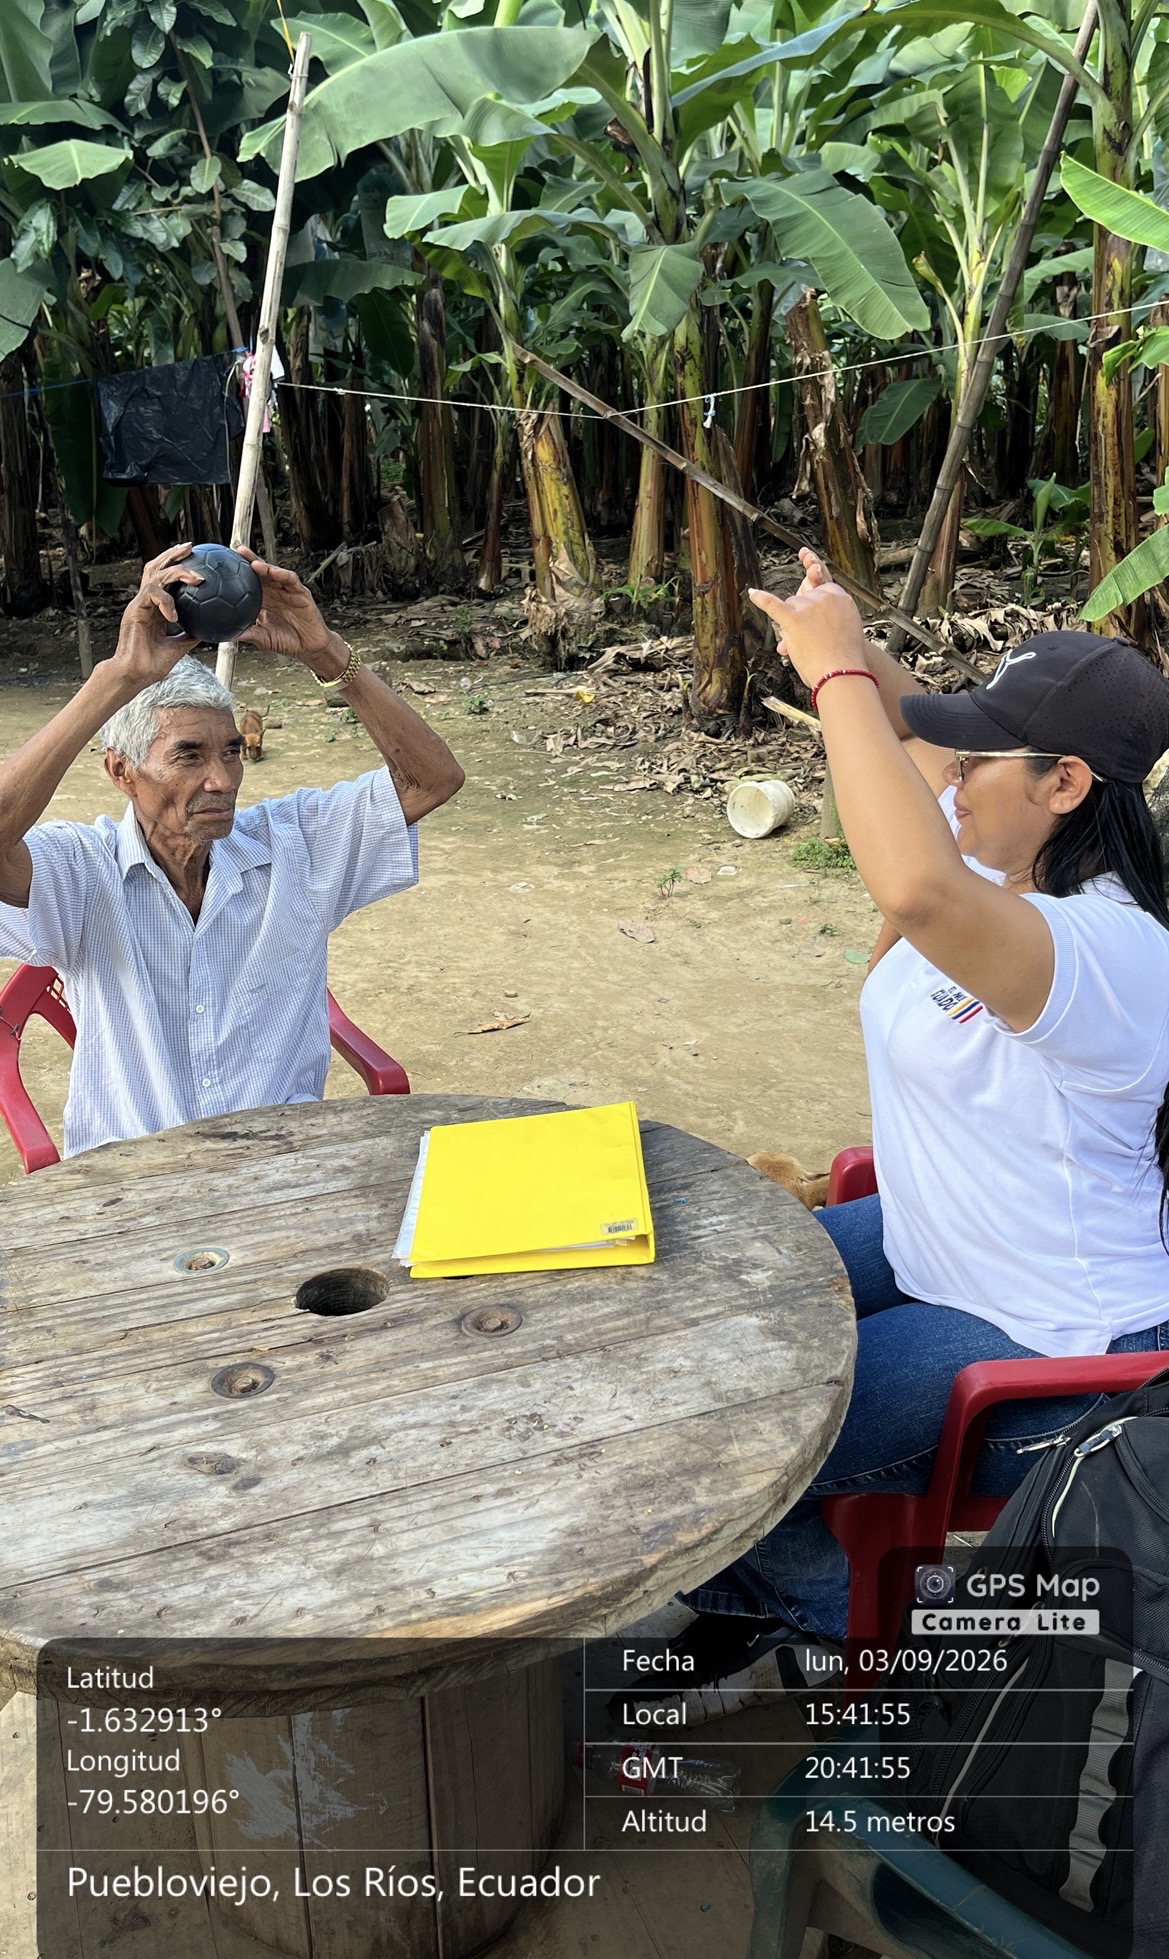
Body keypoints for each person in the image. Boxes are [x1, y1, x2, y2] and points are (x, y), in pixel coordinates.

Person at [675, 547, 1169, 1682]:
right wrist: (841, 636)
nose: (952, 776)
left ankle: (854, 1627)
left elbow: (909, 888)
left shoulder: (1107, 951)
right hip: (937, 1239)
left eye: (982, 755)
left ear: (1064, 783)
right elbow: (919, 734)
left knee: (715, 1445)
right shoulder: (1003, 847)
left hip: (1053, 1339)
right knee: (688, 1309)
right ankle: (768, 1589)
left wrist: (832, 679)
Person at [0, 543, 464, 1156]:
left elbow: (433, 780)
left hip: (282, 1163)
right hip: (135, 1176)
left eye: (231, 752)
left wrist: (325, 652)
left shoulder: (295, 845)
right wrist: (120, 676)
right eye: (188, 756)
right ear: (121, 772)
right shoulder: (81, 871)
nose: (221, 780)